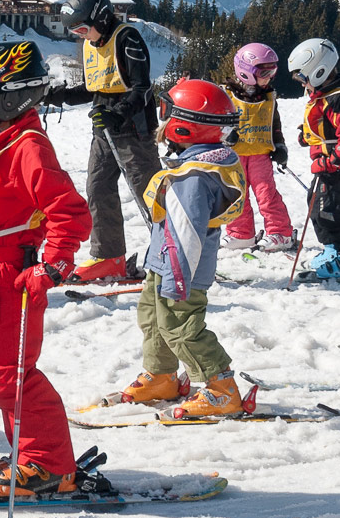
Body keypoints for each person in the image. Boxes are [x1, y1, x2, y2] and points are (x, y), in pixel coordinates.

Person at [0, 38, 92, 497]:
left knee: (11, 374)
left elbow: (68, 211)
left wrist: (50, 267)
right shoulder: (3, 142)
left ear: (12, 94)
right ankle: (31, 452)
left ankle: (47, 463)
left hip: (6, 278)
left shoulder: (28, 146)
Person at [103, 80, 250, 419]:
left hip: (182, 269)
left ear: (185, 125)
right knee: (153, 320)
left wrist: (176, 280)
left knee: (182, 328)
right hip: (165, 263)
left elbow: (187, 235)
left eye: (166, 113)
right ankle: (161, 376)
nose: (161, 120)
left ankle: (221, 387)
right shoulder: (193, 163)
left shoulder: (194, 178)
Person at [48, 0, 159, 283]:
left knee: (149, 193)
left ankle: (174, 251)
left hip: (134, 129)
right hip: (103, 129)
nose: (80, 35)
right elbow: (93, 87)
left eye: (83, 28)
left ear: (101, 17)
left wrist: (119, 112)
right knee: (97, 189)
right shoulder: (89, 45)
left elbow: (142, 88)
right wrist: (57, 95)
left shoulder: (127, 38)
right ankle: (109, 256)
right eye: (75, 31)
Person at [290, 38, 340, 280]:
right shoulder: (324, 97)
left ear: (319, 71)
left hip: (337, 163)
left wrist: (333, 161)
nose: (302, 83)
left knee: (330, 209)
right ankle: (334, 249)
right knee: (316, 204)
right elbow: (324, 126)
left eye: (302, 77)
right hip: (325, 161)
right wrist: (307, 136)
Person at [221, 43, 294, 253]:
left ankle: (281, 232)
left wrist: (280, 147)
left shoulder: (269, 97)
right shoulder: (228, 95)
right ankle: (240, 234)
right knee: (237, 194)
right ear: (246, 72)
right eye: (264, 72)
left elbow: (275, 124)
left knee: (266, 195)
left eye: (272, 71)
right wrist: (226, 134)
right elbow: (217, 122)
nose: (269, 77)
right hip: (234, 156)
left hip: (260, 154)